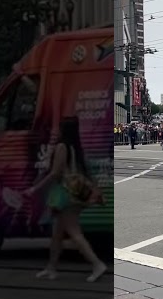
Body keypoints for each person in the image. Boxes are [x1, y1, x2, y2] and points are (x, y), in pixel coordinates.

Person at [27, 117, 108, 282]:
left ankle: (97, 264)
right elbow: (85, 171)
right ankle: (51, 268)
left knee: (74, 232)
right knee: (57, 233)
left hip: (65, 196)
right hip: (73, 195)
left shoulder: (62, 147)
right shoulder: (75, 147)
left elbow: (55, 173)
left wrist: (35, 188)